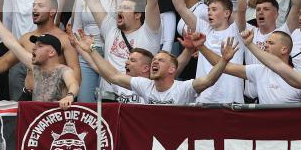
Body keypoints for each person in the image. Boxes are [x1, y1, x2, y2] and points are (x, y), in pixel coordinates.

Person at [73, 29, 237, 105]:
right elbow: (114, 76)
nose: (155, 62)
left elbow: (208, 80)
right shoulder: (145, 85)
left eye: (161, 60)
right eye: (154, 60)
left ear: (172, 70)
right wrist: (92, 50)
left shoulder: (183, 89)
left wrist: (223, 60)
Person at [165, 0, 244, 103]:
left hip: (231, 99)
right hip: (204, 98)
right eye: (208, 10)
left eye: (214, 9)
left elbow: (242, 7)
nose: (209, 12)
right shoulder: (203, 28)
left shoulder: (236, 30)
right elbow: (180, 6)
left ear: (227, 13)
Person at [185, 28, 301, 105]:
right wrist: (201, 46)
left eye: (271, 43)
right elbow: (224, 66)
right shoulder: (258, 71)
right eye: (265, 42)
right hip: (265, 134)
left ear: (284, 49)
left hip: (292, 137)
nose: (265, 46)